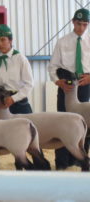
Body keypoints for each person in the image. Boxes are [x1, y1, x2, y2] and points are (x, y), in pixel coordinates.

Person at [0, 24, 34, 169]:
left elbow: (29, 84)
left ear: (10, 40)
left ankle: (33, 168)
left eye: (3, 40)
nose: (0, 44)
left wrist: (14, 98)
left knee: (28, 137)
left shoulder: (20, 59)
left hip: (19, 102)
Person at [48, 8, 90, 170]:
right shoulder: (62, 42)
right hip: (67, 86)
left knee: (84, 125)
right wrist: (58, 82)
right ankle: (62, 163)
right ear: (73, 22)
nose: (81, 28)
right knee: (63, 123)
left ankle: (81, 161)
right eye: (78, 24)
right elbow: (52, 67)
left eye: (85, 25)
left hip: (85, 84)